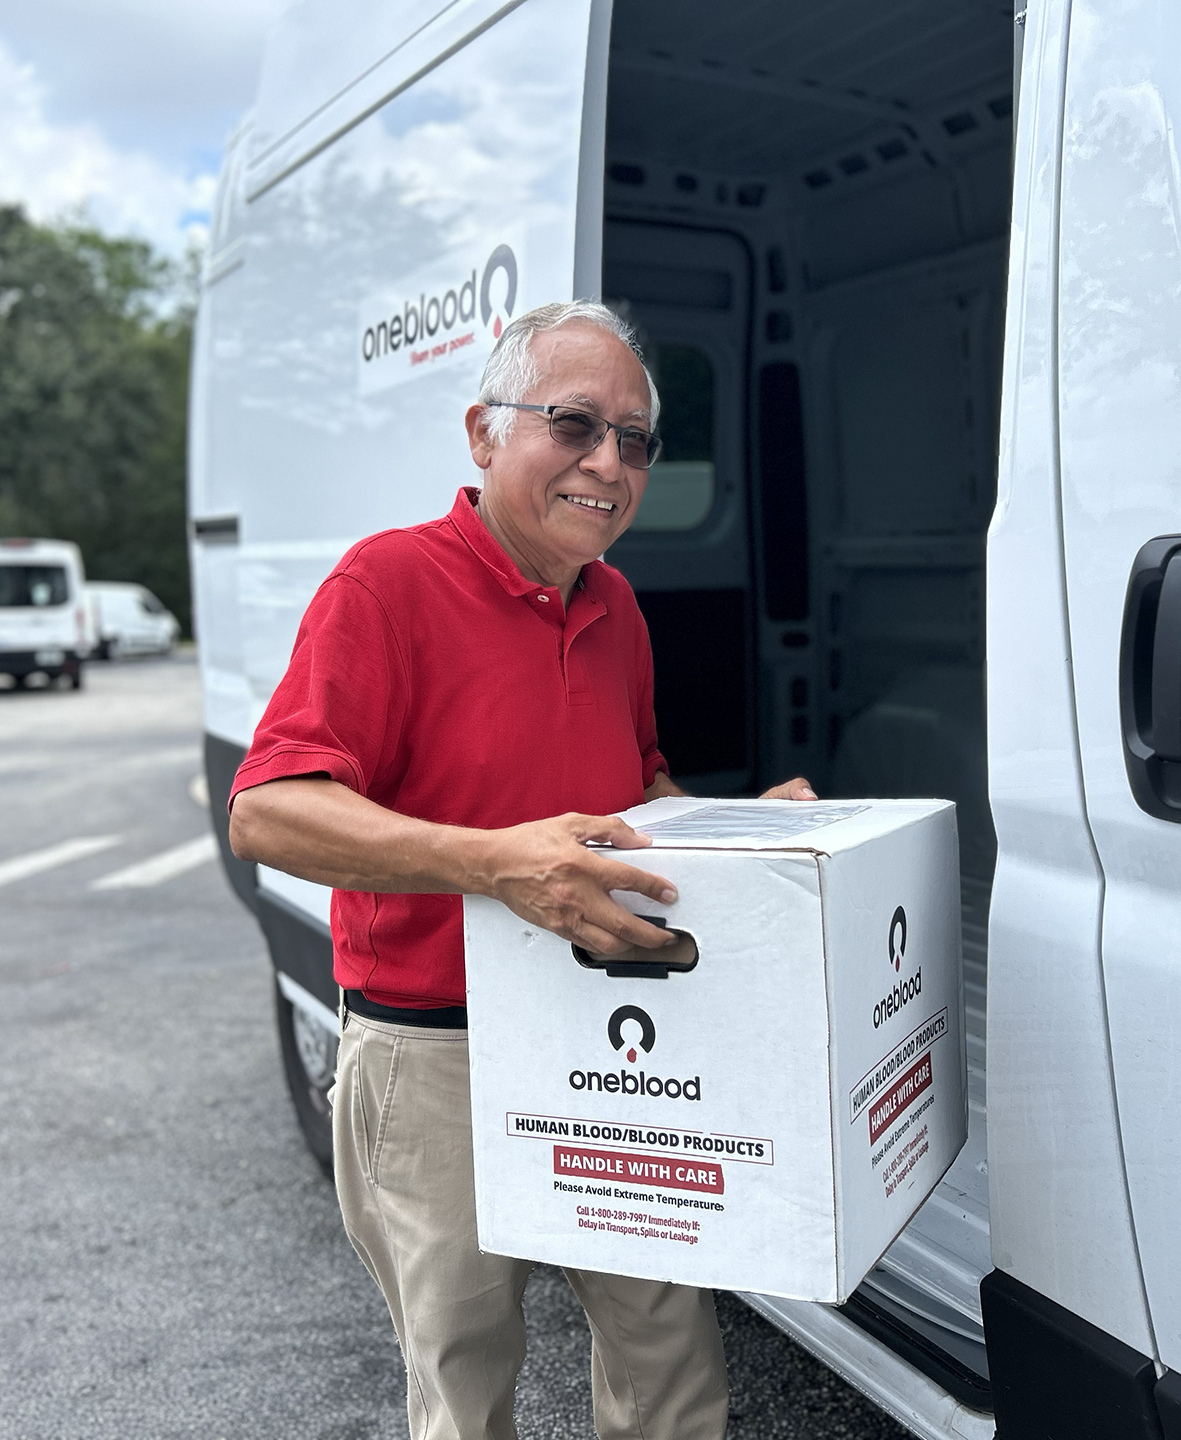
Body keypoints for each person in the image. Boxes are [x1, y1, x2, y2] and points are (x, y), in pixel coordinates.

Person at [227, 300, 817, 1440]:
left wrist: (739, 831)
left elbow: (634, 788)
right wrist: (494, 865)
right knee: (465, 1374)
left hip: (604, 1031)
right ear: (484, 434)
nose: (610, 461)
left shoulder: (617, 606)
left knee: (668, 1352)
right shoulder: (384, 586)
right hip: (433, 1045)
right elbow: (269, 811)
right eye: (575, 423)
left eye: (636, 438)